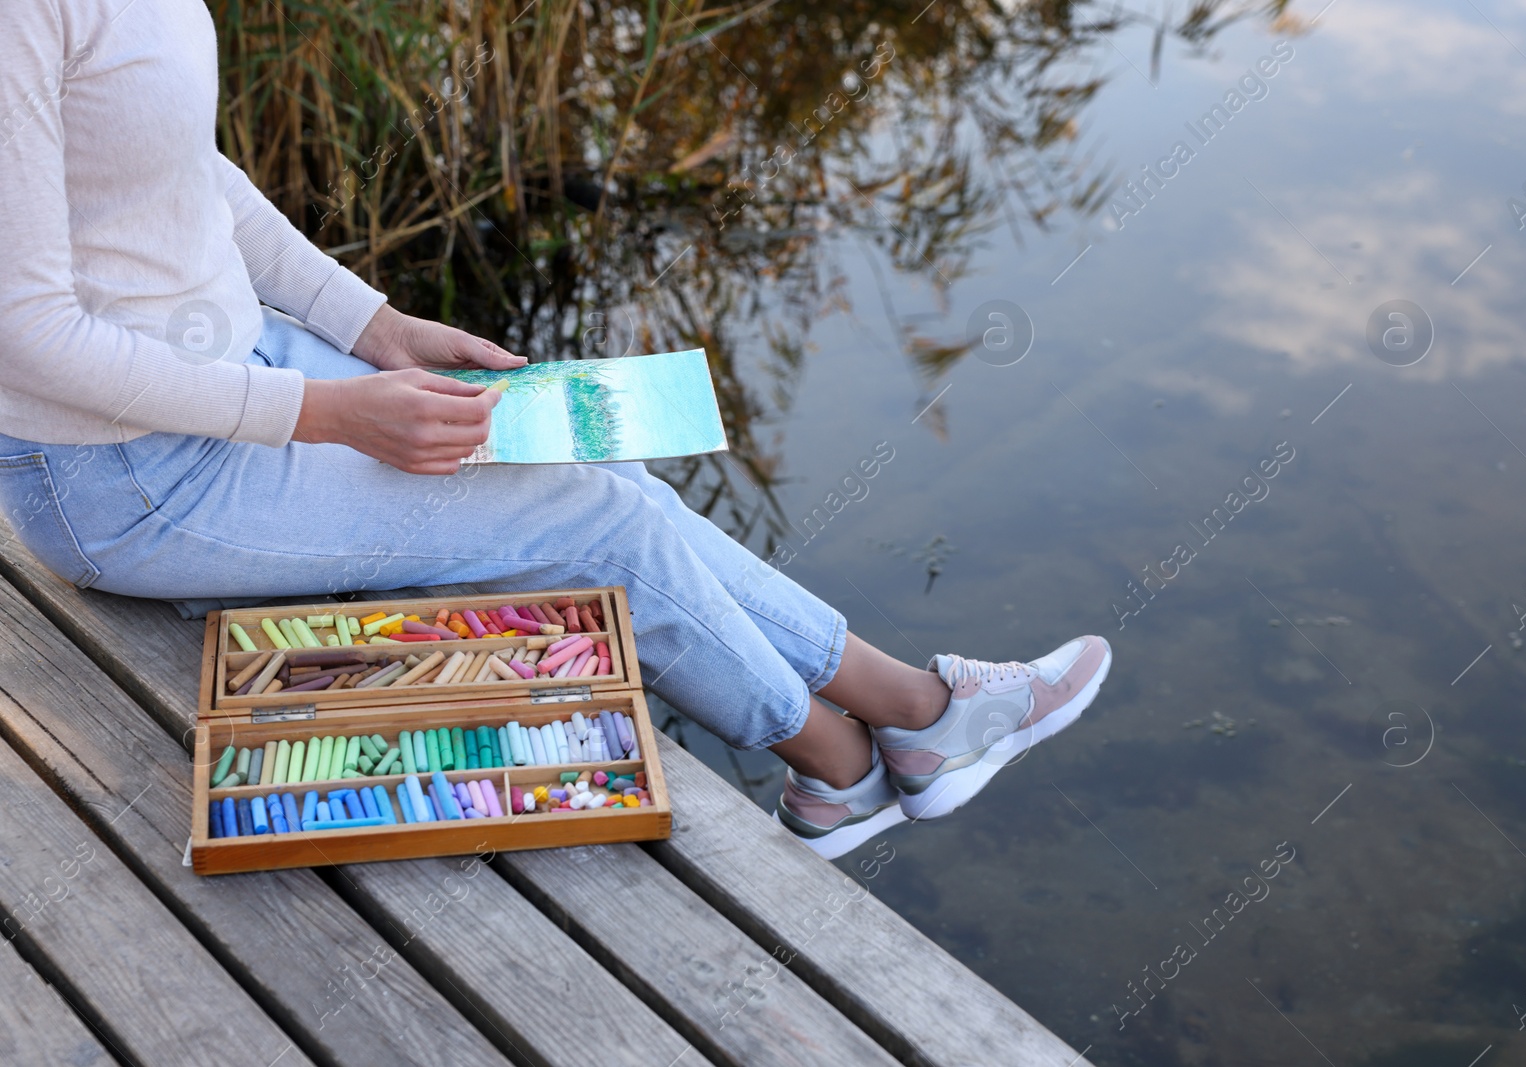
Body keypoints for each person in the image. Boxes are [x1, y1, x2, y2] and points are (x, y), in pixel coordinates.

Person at [0, 0, 1110, 858]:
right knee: (594, 523)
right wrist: (331, 411)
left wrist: (369, 323)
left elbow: (195, 175)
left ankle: (891, 734)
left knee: (594, 462)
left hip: (245, 362)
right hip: (127, 475)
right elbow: (27, 335)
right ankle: (849, 746)